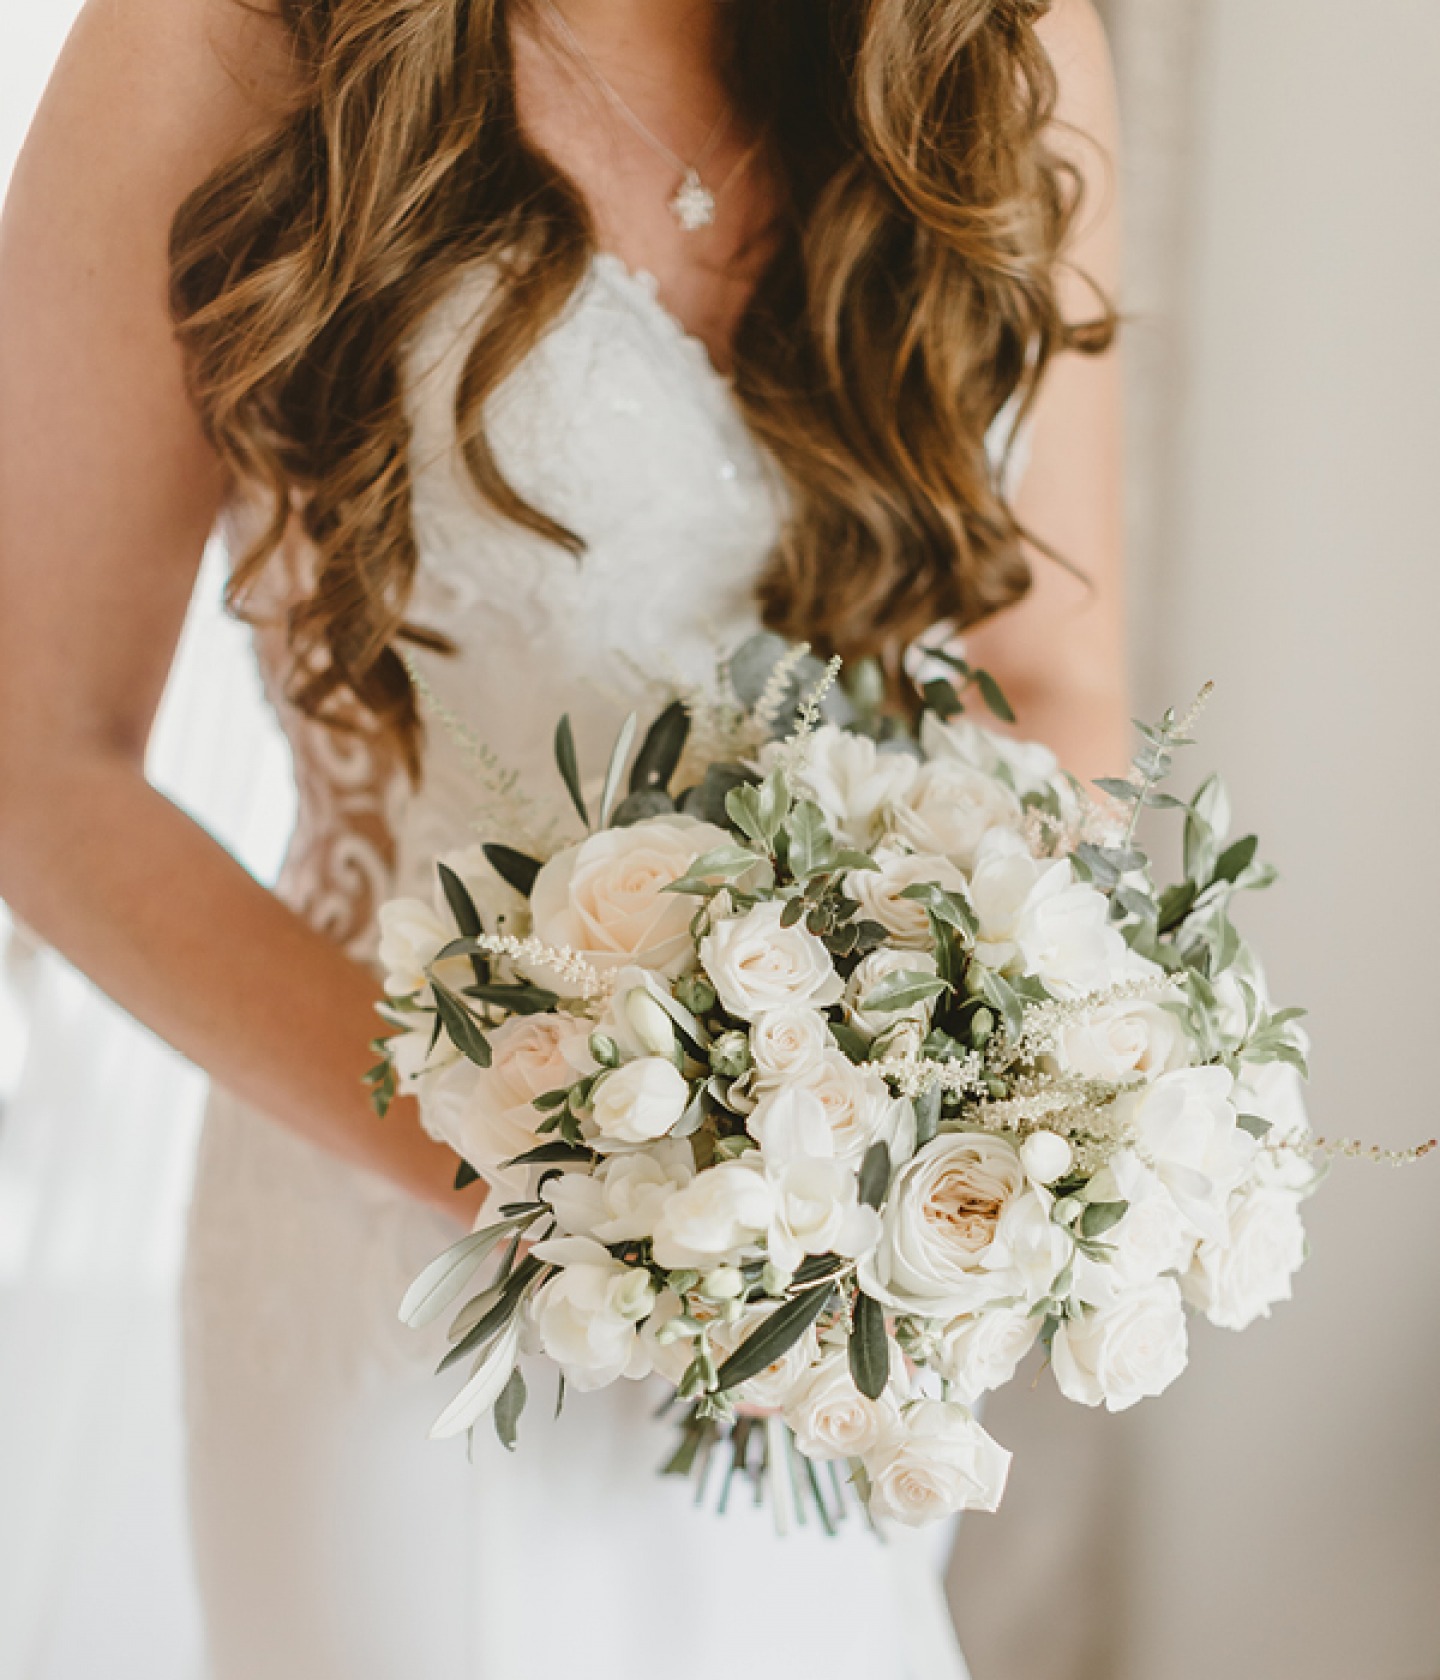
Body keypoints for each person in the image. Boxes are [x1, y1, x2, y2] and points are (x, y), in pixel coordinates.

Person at [0, 0, 1127, 1674]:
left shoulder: (996, 47)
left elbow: (1056, 685)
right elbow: (38, 759)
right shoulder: (218, 40)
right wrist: (558, 1170)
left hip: (841, 1308)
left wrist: (935, 1101)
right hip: (408, 1259)